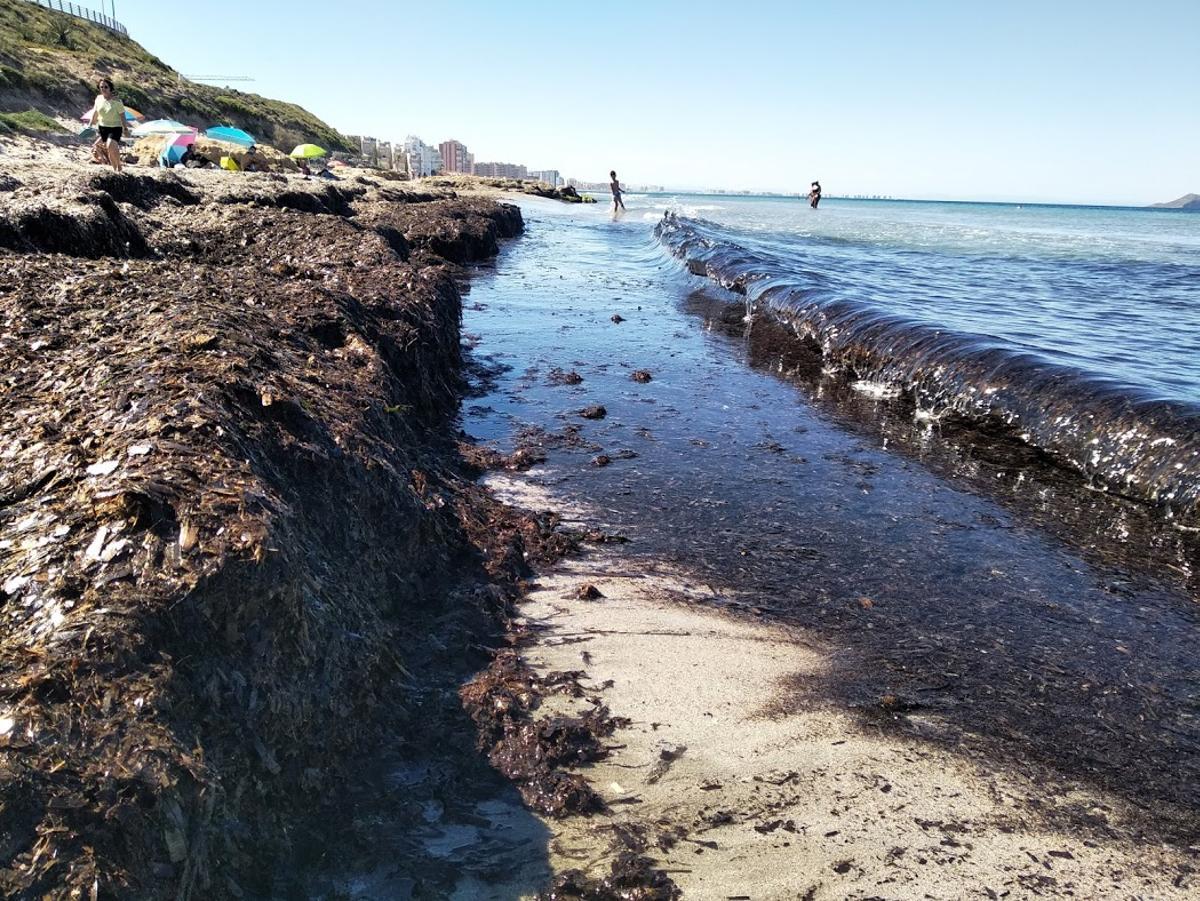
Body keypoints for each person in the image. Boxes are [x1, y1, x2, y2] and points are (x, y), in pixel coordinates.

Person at [87, 78, 126, 173]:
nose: (103, 88)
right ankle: (115, 169)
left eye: (106, 87)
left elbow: (122, 116)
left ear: (110, 88)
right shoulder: (98, 99)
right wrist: (90, 125)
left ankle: (119, 165)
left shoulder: (117, 101)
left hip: (115, 127)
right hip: (103, 127)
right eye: (101, 87)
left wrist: (125, 128)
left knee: (109, 145)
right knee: (109, 148)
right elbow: (95, 113)